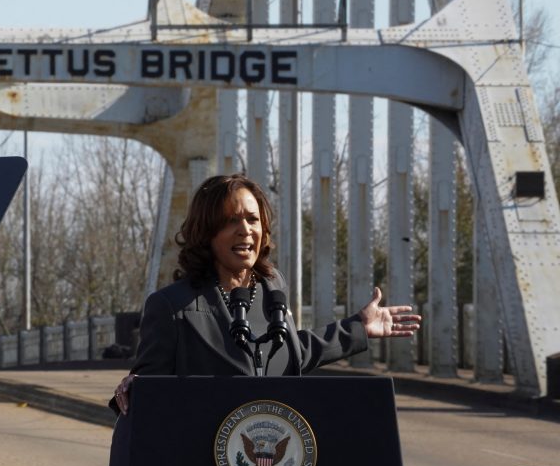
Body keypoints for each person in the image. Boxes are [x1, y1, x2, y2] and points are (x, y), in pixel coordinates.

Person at [112, 174, 420, 414]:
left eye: (252, 219)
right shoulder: (171, 306)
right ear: (205, 232)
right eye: (231, 220)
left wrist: (358, 328)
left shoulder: (272, 288)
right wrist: (136, 387)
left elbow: (291, 353)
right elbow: (147, 397)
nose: (245, 230)